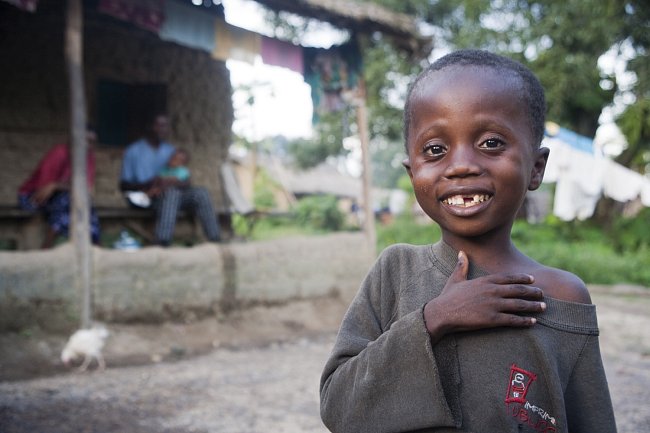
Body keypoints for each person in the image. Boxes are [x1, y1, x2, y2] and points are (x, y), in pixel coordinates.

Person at [320, 50, 617, 432]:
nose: (460, 165)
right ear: (413, 172)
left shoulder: (561, 295)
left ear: (536, 167)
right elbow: (338, 408)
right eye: (435, 150)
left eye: (491, 143)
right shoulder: (395, 272)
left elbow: (592, 422)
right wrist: (434, 319)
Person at [120, 114, 220, 246]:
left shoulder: (171, 151)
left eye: (166, 126)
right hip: (145, 197)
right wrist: (149, 184)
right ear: (150, 127)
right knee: (171, 193)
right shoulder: (133, 151)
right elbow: (123, 185)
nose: (163, 129)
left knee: (201, 192)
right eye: (159, 125)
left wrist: (173, 182)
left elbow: (184, 179)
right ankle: (162, 242)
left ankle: (215, 240)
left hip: (172, 196)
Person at [17, 127, 101, 248]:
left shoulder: (89, 157)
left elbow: (86, 188)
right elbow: (42, 193)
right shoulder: (59, 153)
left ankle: (95, 249)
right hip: (31, 198)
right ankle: (47, 247)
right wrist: (59, 187)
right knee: (66, 201)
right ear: (74, 140)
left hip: (62, 199)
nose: (89, 145)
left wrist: (56, 185)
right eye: (86, 140)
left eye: (92, 142)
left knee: (86, 204)